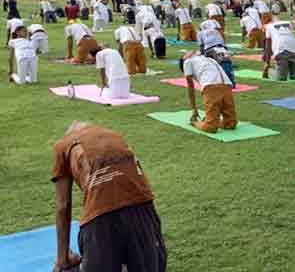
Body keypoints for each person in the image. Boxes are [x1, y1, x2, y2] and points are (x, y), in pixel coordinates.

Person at [51, 122, 166, 272]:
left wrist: (62, 259)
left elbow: (63, 206)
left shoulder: (63, 145)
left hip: (100, 216)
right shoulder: (115, 135)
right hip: (143, 209)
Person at [182, 51, 237, 133]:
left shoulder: (187, 62)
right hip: (227, 86)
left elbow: (191, 88)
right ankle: (211, 119)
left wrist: (194, 110)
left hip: (212, 88)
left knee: (210, 127)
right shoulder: (209, 59)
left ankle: (197, 122)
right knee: (230, 123)